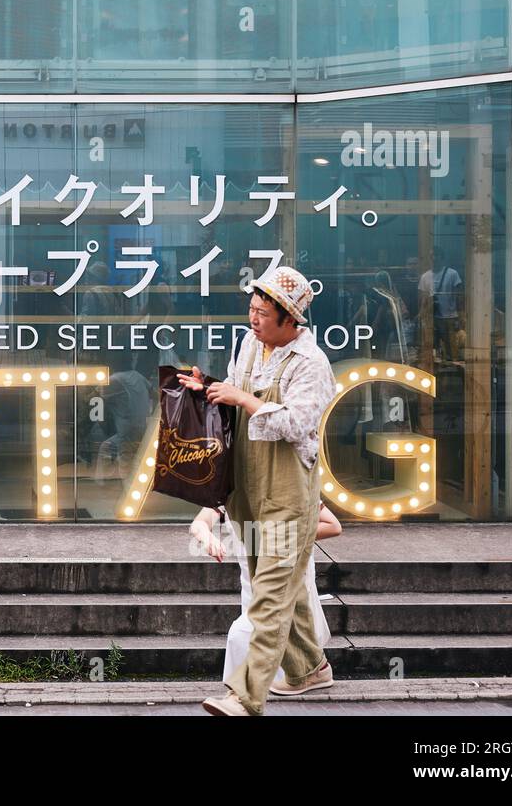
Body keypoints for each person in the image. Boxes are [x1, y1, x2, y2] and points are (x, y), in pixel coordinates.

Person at [180, 265, 337, 716]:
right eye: (251, 309)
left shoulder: (312, 364)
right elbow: (234, 404)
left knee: (269, 594)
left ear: (291, 319)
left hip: (288, 491)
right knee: (283, 586)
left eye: (264, 313)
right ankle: (311, 668)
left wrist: (243, 398)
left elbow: (295, 422)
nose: (254, 320)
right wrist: (207, 388)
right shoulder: (250, 344)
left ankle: (244, 696)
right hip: (246, 485)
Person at [190, 502, 341, 689]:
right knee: (258, 643)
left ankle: (244, 694)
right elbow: (200, 522)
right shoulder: (230, 488)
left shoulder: (289, 482)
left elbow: (333, 525)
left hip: (284, 574)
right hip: (251, 582)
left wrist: (283, 538)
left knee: (242, 636)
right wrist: (207, 537)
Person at [418, 246, 463, 360]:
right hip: (432, 317)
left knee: (451, 346)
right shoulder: (425, 277)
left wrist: (461, 315)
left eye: (436, 255)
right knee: (433, 345)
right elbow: (424, 299)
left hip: (450, 316)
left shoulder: (452, 274)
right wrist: (422, 315)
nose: (434, 258)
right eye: (432, 256)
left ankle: (453, 364)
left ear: (442, 257)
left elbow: (459, 296)